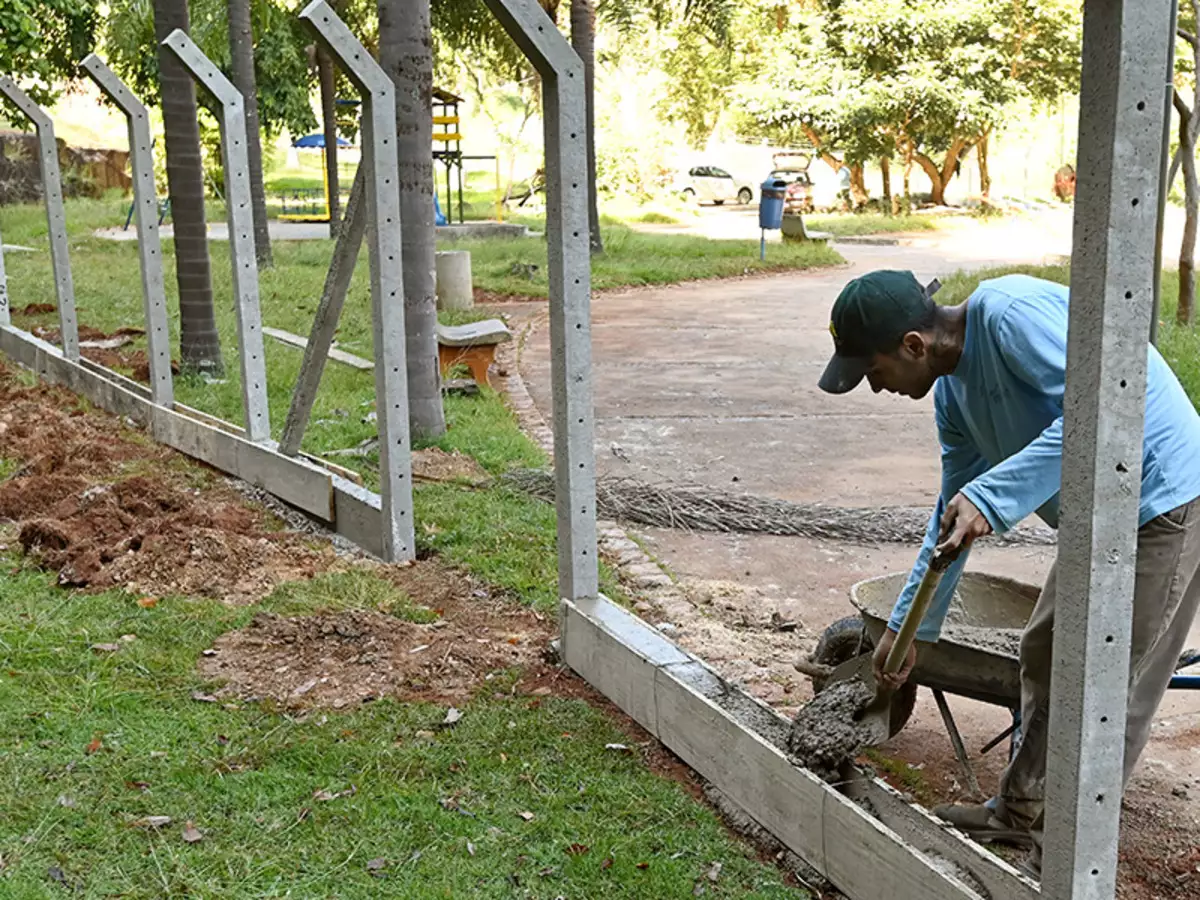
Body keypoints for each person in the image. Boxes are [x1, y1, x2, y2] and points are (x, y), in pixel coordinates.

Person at [817, 270, 1200, 878]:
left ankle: (1070, 850)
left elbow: (1099, 409)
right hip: (1099, 510)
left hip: (1162, 497)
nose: (874, 387)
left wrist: (993, 498)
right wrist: (908, 627)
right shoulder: (952, 396)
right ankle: (1018, 814)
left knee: (1110, 684)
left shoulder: (1010, 315)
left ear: (913, 345)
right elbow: (952, 514)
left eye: (873, 371)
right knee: (1045, 651)